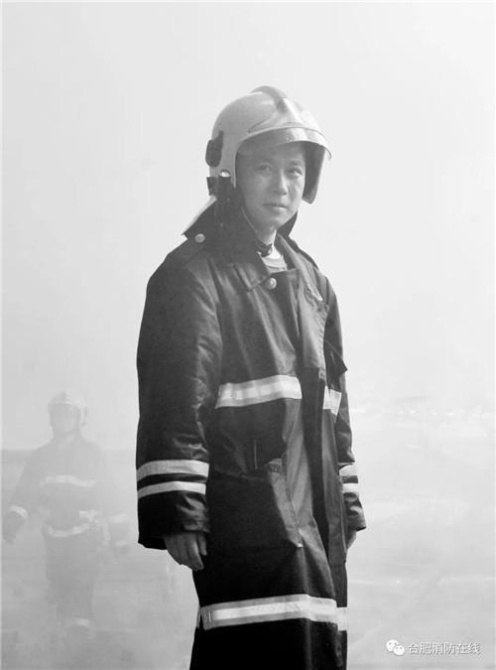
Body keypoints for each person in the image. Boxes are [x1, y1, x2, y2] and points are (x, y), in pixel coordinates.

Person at [136, 86, 366, 670]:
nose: (281, 185)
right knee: (249, 650)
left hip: (315, 513)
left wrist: (346, 498)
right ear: (228, 172)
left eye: (294, 170)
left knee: (315, 649)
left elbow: (334, 404)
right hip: (244, 506)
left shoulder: (313, 283)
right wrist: (179, 509)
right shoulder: (192, 275)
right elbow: (174, 398)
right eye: (264, 167)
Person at [2, 391, 129, 642]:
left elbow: (110, 496)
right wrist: (13, 519)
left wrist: (119, 537)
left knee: (81, 582)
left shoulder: (93, 454)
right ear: (51, 418)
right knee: (58, 583)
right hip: (53, 534)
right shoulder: (41, 457)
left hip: (85, 533)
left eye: (69, 414)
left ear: (80, 419)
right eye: (59, 413)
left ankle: (78, 640)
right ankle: (62, 640)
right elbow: (26, 493)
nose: (63, 419)